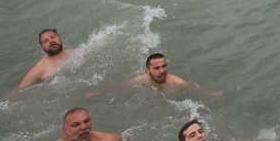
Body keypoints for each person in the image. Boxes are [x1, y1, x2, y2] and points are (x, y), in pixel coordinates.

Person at [86, 53, 223, 98]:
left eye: (164, 66)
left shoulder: (178, 83)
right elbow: (119, 87)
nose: (162, 71)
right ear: (147, 71)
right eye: (156, 68)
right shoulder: (142, 80)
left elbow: (196, 90)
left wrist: (215, 94)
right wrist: (98, 93)